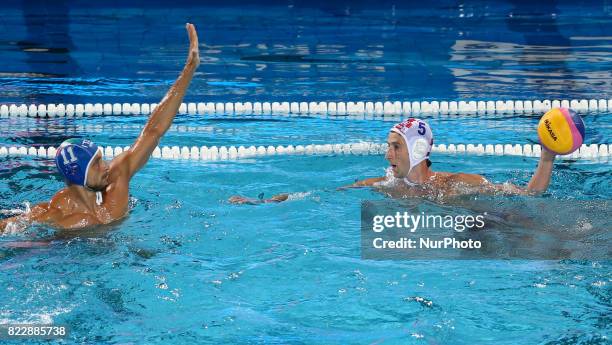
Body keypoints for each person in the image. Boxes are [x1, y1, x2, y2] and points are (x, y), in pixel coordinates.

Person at [1, 23, 200, 232]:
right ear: (78, 173)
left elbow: (154, 130)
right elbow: (9, 228)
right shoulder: (57, 214)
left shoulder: (117, 180)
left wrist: (189, 69)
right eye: (97, 163)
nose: (106, 166)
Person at [229, 117, 557, 204]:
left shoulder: (457, 183)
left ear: (416, 151)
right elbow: (322, 194)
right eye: (387, 146)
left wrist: (547, 156)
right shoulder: (385, 186)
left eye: (396, 147)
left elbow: (530, 196)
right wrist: (266, 202)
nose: (387, 155)